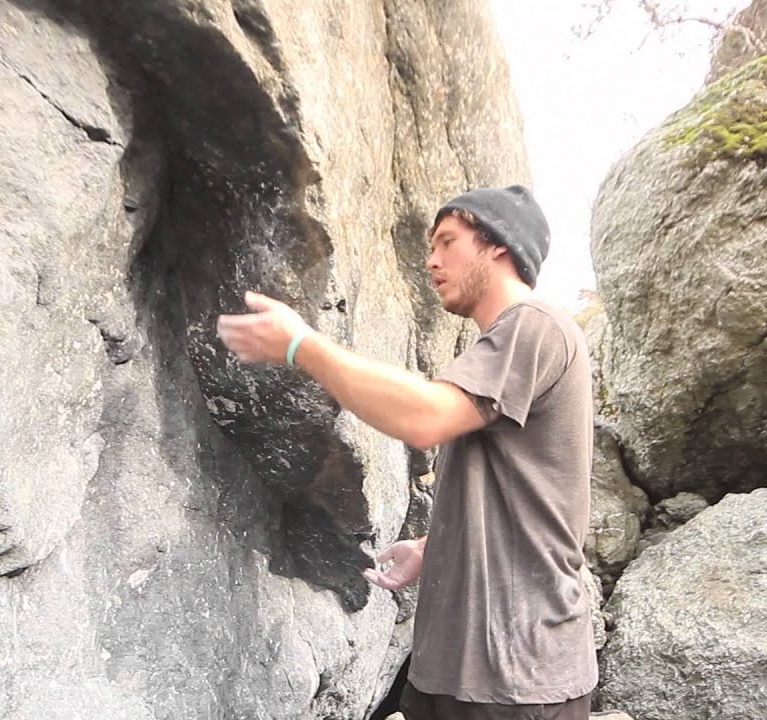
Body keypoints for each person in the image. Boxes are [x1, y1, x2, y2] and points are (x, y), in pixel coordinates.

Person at [216, 185, 596, 720]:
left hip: (517, 676)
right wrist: (433, 545)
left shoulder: (534, 325)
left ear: (499, 247)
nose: (431, 260)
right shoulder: (499, 347)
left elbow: (425, 419)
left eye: (448, 242)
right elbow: (512, 491)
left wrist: (302, 346)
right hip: (462, 668)